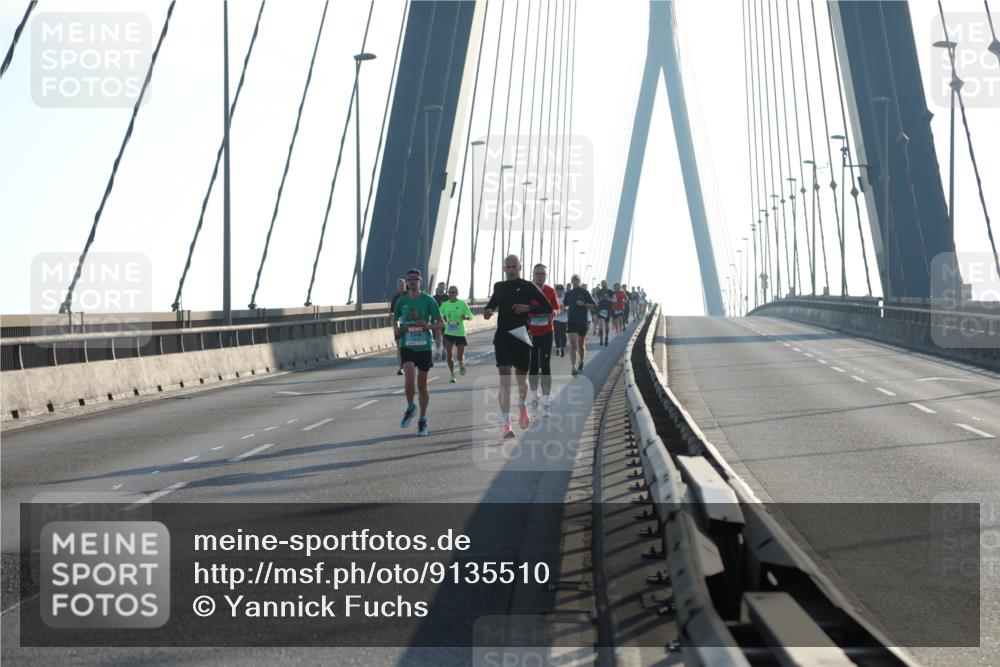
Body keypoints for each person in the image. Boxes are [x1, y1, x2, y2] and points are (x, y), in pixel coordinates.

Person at [484, 254, 553, 439]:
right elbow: (491, 305)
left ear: (520, 267)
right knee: (505, 381)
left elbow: (548, 308)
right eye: (509, 266)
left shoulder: (528, 286)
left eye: (515, 266)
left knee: (521, 381)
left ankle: (522, 407)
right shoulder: (499, 286)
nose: (512, 269)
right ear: (504, 268)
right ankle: (506, 424)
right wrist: (488, 311)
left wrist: (528, 308)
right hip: (503, 338)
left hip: (522, 337)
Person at [392, 269, 444, 436]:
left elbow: (441, 323)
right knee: (409, 378)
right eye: (409, 279)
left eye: (415, 279)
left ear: (420, 281)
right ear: (406, 282)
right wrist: (398, 330)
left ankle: (422, 419)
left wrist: (427, 326)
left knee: (422, 385)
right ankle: (410, 407)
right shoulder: (402, 301)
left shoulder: (428, 300)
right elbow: (394, 318)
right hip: (408, 345)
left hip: (424, 346)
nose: (412, 282)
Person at [527, 264, 560, 418]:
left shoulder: (550, 291)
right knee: (533, 365)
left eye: (543, 274)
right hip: (531, 333)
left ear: (546, 276)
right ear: (533, 274)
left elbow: (557, 308)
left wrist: (554, 312)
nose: (540, 276)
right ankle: (535, 397)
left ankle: (546, 402)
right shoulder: (527, 290)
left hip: (547, 332)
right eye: (538, 273)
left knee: (545, 365)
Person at [438, 285, 474, 382]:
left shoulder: (462, 303)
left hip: (460, 333)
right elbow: (439, 315)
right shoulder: (445, 305)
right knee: (449, 354)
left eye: (453, 292)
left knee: (459, 356)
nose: (451, 294)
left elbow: (471, 316)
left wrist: (465, 317)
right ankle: (452, 374)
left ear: (457, 294)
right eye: (450, 292)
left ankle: (461, 363)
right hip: (448, 332)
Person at [563, 274, 597, 376]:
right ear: (571, 281)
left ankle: (581, 361)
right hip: (571, 321)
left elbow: (594, 306)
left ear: (579, 281)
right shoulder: (568, 293)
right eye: (573, 279)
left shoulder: (585, 292)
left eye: (577, 279)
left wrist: (584, 304)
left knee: (581, 346)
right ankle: (573, 367)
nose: (575, 281)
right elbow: (565, 305)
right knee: (573, 345)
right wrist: (564, 308)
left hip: (582, 322)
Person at [389, 278, 407, 375]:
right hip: (398, 325)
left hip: (408, 324)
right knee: (399, 346)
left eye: (402, 285)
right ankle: (401, 366)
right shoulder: (395, 298)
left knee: (408, 346)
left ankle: (410, 363)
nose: (400, 287)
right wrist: (392, 316)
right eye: (399, 285)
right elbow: (391, 311)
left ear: (405, 285)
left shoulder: (409, 296)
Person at [432, 282, 448, 361]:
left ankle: (444, 351)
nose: (441, 288)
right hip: (436, 319)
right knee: (437, 337)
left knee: (445, 336)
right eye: (440, 287)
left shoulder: (447, 297)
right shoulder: (433, 298)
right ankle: (438, 352)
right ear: (438, 287)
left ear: (444, 288)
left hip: (446, 320)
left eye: (442, 287)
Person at [595, 280, 614, 346]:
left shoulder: (610, 291)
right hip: (600, 309)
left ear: (606, 284)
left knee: (606, 325)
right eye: (602, 284)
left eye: (604, 283)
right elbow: (596, 299)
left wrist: (608, 299)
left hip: (607, 309)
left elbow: (614, 299)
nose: (603, 285)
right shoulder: (599, 292)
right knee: (601, 324)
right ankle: (601, 339)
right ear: (601, 284)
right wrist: (599, 301)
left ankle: (606, 338)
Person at [553, 284, 568, 357]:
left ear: (563, 291)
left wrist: (566, 309)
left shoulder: (565, 298)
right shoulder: (554, 298)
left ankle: (563, 348)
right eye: (558, 290)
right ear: (556, 291)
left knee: (563, 335)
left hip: (564, 319)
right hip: (556, 318)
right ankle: (558, 348)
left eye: (561, 290)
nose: (559, 292)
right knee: (556, 334)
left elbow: (569, 307)